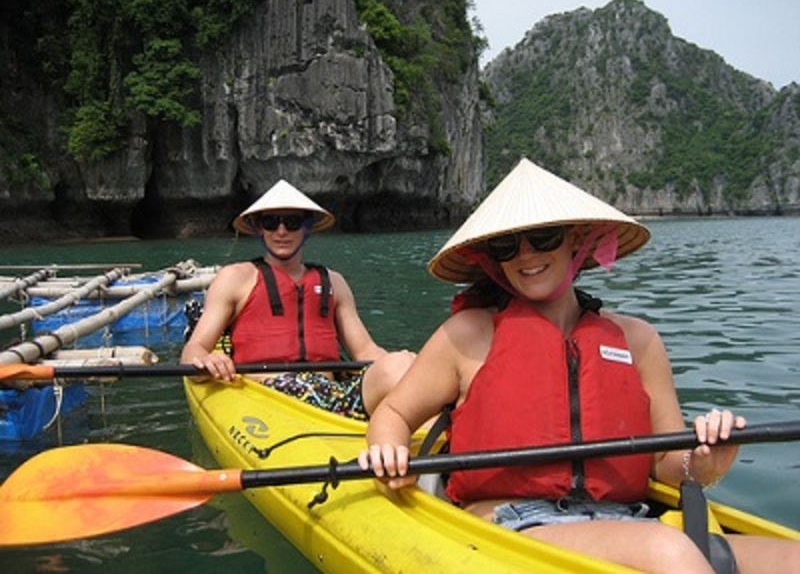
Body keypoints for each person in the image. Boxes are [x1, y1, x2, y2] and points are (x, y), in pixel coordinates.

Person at [358, 158, 799, 572]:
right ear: (495, 259)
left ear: (577, 240)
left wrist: (705, 462)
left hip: (629, 520)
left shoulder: (638, 340)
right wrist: (388, 448)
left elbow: (666, 462)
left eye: (545, 238)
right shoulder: (467, 334)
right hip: (514, 527)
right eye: (509, 246)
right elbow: (394, 414)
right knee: (667, 550)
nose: (527, 256)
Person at [182, 179, 414, 420]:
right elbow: (194, 350)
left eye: (292, 223)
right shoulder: (235, 278)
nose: (281, 231)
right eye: (270, 222)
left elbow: (365, 350)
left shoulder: (334, 282)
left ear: (307, 227)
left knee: (402, 364)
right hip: (266, 394)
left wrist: (406, 365)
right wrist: (208, 361)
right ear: (259, 228)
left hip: (333, 396)